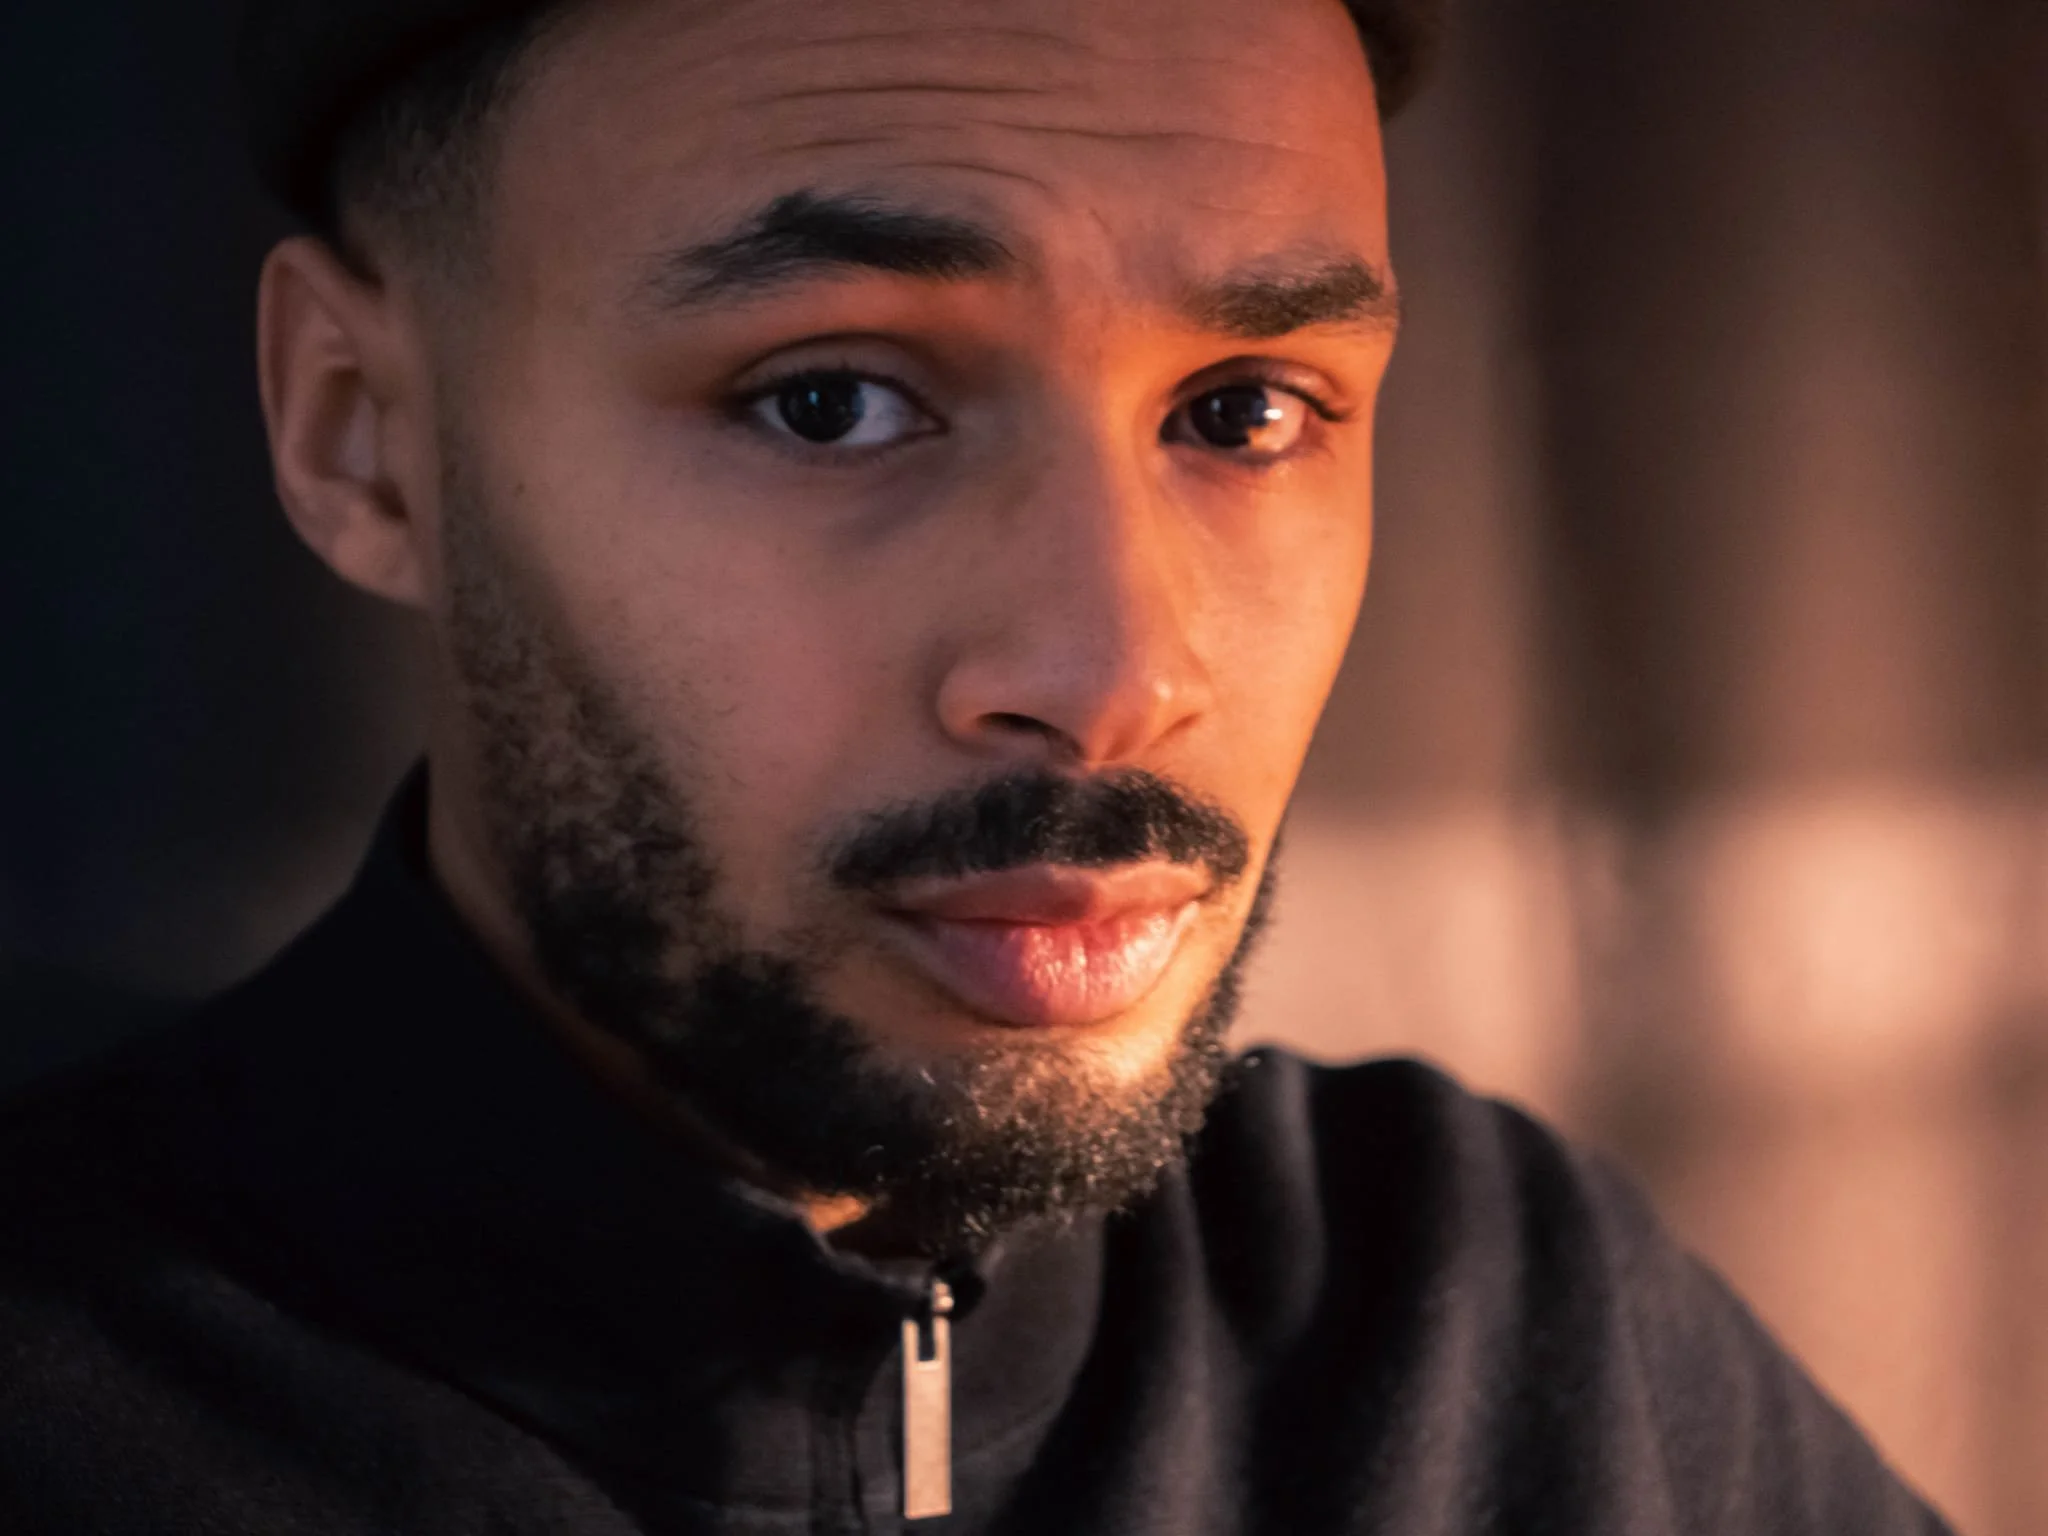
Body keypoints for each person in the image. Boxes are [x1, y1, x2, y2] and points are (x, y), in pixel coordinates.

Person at [0, 0, 1956, 1531]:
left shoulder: (1482, 1311)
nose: (1109, 678)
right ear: (359, 435)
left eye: (1244, 408)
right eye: (834, 402)